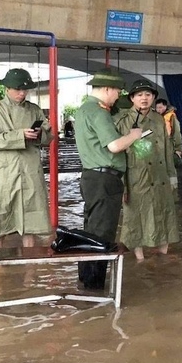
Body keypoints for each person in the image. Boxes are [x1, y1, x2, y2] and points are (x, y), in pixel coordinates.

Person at [75, 68, 142, 289]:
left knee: (91, 229)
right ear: (106, 89)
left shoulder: (83, 110)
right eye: (117, 92)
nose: (117, 97)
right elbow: (114, 146)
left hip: (91, 178)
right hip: (105, 179)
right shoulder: (98, 112)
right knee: (102, 234)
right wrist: (133, 136)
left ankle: (86, 280)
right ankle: (95, 286)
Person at [0, 69, 52, 247]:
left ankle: (29, 270)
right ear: (7, 89)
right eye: (18, 90)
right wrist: (19, 136)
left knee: (31, 220)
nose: (22, 93)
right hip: (5, 171)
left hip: (30, 169)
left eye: (25, 90)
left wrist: (41, 134)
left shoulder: (34, 110)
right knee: (1, 217)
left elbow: (49, 137)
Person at [114, 79, 179, 261]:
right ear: (132, 98)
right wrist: (122, 186)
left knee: (164, 213)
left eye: (148, 95)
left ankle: (162, 258)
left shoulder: (159, 119)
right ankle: (139, 258)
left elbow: (167, 149)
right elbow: (117, 156)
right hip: (136, 176)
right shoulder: (122, 121)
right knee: (136, 216)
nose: (144, 98)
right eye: (140, 95)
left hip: (160, 176)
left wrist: (172, 176)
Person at [155, 98, 182, 165]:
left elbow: (176, 132)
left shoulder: (171, 116)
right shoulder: (156, 117)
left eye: (160, 107)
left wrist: (178, 149)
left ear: (165, 107)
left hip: (170, 145)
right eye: (157, 108)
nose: (158, 110)